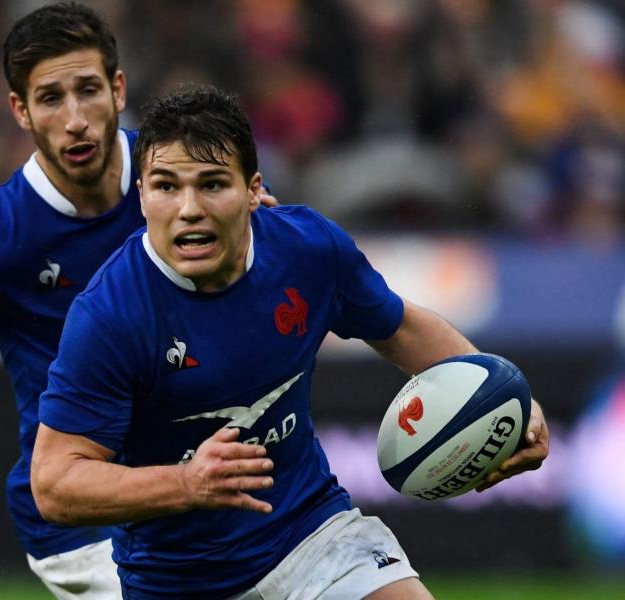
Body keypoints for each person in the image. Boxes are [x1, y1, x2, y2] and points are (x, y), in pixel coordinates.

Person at [31, 84, 550, 599]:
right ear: (141, 194)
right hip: (178, 582)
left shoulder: (308, 249)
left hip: (312, 536)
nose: (188, 208)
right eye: (166, 186)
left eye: (213, 185)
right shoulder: (109, 315)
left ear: (254, 189)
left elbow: (402, 328)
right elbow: (55, 483)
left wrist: (510, 399)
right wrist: (186, 483)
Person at [0, 4, 284, 599]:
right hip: (85, 525)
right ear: (20, 111)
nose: (75, 119)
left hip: (200, 481)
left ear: (119, 89)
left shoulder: (182, 181)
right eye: (50, 98)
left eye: (88, 91)